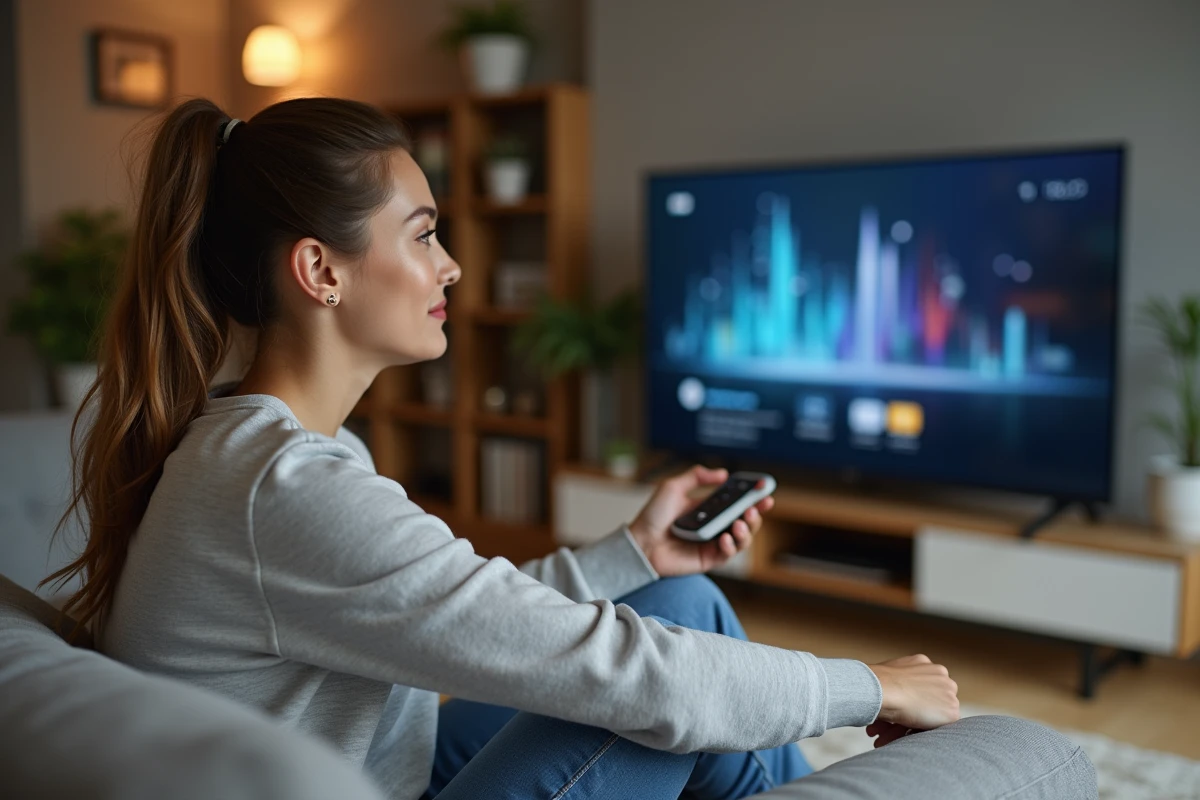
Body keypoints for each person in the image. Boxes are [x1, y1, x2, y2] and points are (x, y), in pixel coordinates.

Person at [46, 97, 959, 800]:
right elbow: (630, 678)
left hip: (382, 768)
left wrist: (636, 552)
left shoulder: (269, 449)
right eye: (424, 232)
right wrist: (871, 686)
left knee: (680, 594)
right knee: (655, 702)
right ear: (321, 271)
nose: (449, 265)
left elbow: (481, 618)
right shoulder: (284, 487)